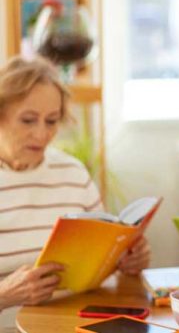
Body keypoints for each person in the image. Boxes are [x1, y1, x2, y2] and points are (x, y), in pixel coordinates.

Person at [0, 57, 150, 331]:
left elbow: (104, 257)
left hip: (78, 324)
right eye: (28, 120)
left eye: (52, 121)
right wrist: (5, 294)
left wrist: (126, 261)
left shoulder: (72, 172)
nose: (42, 134)